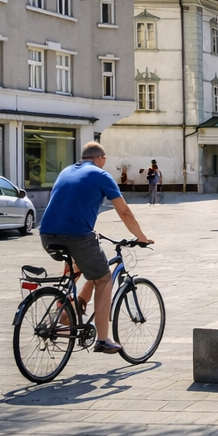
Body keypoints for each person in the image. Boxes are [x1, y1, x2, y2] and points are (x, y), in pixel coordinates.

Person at [39, 141, 153, 354]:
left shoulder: (66, 171)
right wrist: (141, 237)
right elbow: (125, 211)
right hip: (76, 236)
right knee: (104, 278)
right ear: (101, 158)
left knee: (85, 265)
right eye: (104, 160)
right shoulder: (101, 176)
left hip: (47, 234)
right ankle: (103, 339)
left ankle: (68, 312)